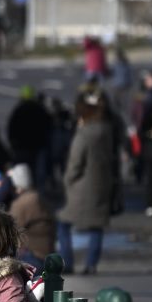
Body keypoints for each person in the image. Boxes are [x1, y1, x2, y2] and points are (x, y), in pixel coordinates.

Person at [60, 91, 117, 274]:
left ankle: (68, 262)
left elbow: (75, 162)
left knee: (64, 224)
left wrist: (68, 180)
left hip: (81, 187)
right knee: (96, 226)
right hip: (102, 183)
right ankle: (91, 264)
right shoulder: (107, 131)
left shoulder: (84, 134)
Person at [6, 164, 56, 266]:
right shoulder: (39, 197)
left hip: (32, 255)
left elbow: (10, 230)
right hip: (47, 252)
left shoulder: (21, 204)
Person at [6, 85, 53, 185]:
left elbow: (11, 128)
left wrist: (13, 144)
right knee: (34, 173)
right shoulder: (39, 109)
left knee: (20, 172)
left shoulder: (18, 110)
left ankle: (21, 188)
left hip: (20, 148)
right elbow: (48, 126)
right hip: (36, 147)